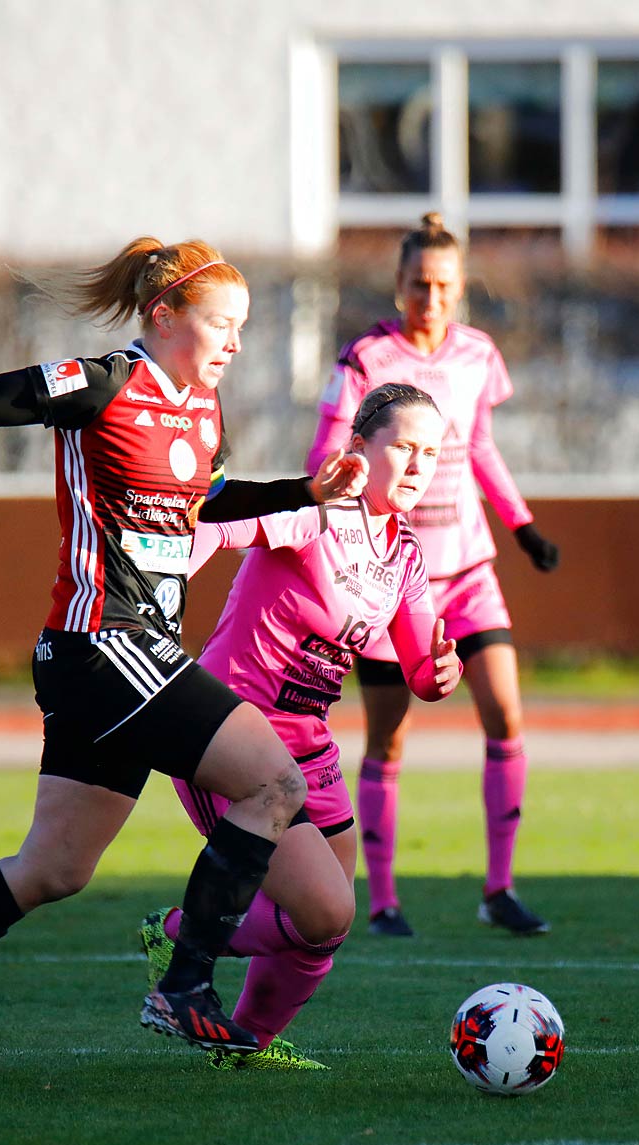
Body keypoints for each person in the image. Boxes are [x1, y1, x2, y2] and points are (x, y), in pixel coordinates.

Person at [0, 238, 371, 1089]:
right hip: (106, 644)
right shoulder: (108, 382)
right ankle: (184, 983)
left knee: (53, 869)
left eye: (242, 328)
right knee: (277, 785)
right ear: (164, 315)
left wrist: (306, 492)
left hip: (123, 658)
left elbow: (205, 499)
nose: (235, 344)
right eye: (222, 324)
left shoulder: (203, 408)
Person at [141, 383, 462, 1070]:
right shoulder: (315, 511)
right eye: (402, 446)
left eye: (430, 454)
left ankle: (245, 1047)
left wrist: (443, 669)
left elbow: (421, 674)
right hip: (229, 732)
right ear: (357, 449)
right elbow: (217, 532)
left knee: (322, 929)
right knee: (326, 910)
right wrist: (160, 571)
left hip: (309, 742)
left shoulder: (402, 553)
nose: (416, 465)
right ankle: (177, 935)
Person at [305, 214, 559, 938]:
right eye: (420, 284)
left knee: (506, 716)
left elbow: (478, 444)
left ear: (460, 288)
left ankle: (499, 889)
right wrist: (328, 528)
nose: (433, 298)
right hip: (390, 578)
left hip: (469, 568)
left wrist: (523, 526)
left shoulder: (478, 353)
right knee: (388, 739)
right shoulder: (364, 360)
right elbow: (327, 456)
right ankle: (382, 902)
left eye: (446, 285)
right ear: (399, 284)